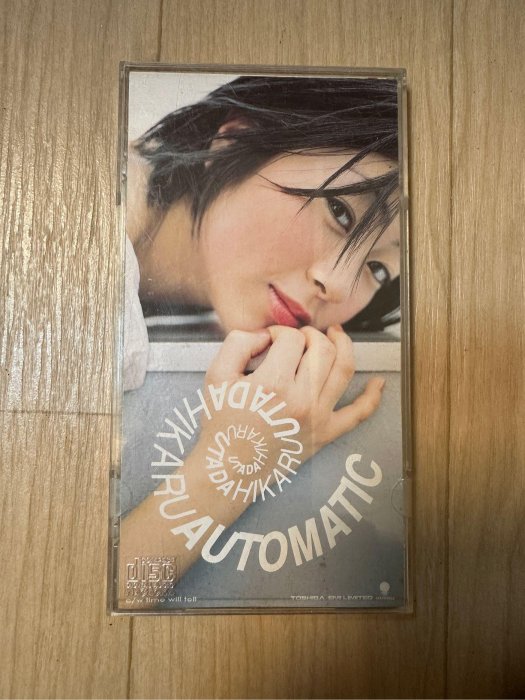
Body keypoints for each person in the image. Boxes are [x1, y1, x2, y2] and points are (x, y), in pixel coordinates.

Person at [118, 75, 401, 606]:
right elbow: (52, 619)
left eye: (380, 270)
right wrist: (233, 466)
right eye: (341, 211)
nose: (339, 286)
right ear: (236, 139)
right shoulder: (73, 245)